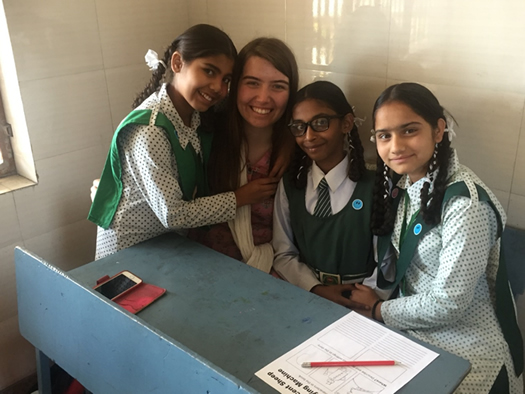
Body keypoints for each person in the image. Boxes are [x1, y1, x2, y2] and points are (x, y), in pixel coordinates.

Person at [350, 82, 523, 393]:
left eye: (409, 130)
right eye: (384, 135)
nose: (396, 146)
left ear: (439, 130)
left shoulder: (465, 205)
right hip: (411, 338)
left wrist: (378, 310)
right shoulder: (405, 185)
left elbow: (448, 304)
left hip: (467, 353)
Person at [88, 25, 279, 259]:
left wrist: (289, 146)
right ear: (177, 63)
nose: (219, 88)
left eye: (226, 79)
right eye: (209, 71)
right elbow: (173, 215)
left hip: (165, 247)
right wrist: (240, 198)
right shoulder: (151, 129)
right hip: (128, 253)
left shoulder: (194, 115)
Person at [187, 37, 298, 273]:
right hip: (199, 268)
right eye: (252, 83)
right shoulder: (204, 135)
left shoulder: (299, 151)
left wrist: (290, 142)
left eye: (278, 86)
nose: (263, 98)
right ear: (234, 85)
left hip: (271, 271)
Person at [272, 81, 382, 308]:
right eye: (299, 127)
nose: (309, 136)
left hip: (364, 305)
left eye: (321, 123)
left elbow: (387, 262)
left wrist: (365, 303)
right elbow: (283, 252)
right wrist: (316, 289)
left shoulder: (374, 187)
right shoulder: (292, 185)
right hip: (308, 298)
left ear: (346, 123)